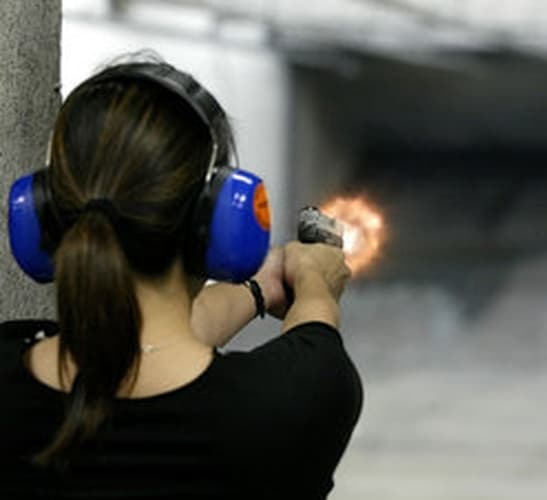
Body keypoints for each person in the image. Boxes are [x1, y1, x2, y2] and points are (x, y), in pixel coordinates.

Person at [0, 58, 362, 498]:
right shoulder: (285, 409)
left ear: (44, 211)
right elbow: (314, 340)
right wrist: (314, 282)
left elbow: (136, 343)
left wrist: (260, 287)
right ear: (217, 224)